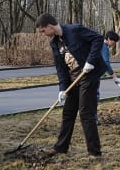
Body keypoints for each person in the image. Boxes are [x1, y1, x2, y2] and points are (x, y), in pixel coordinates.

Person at [35, 13, 107, 157]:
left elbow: (98, 39)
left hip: (89, 76)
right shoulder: (54, 44)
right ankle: (61, 147)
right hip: (73, 80)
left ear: (50, 26)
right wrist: (62, 89)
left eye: (43, 31)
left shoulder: (75, 30)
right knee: (68, 113)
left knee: (86, 113)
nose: (43, 34)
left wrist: (91, 61)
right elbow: (60, 68)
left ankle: (94, 152)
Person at [96, 30, 120, 125]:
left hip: (93, 73)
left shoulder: (99, 44)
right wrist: (114, 76)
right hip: (92, 75)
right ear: (109, 39)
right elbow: (106, 63)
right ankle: (92, 118)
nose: (114, 44)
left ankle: (90, 117)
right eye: (114, 42)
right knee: (95, 96)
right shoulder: (104, 47)